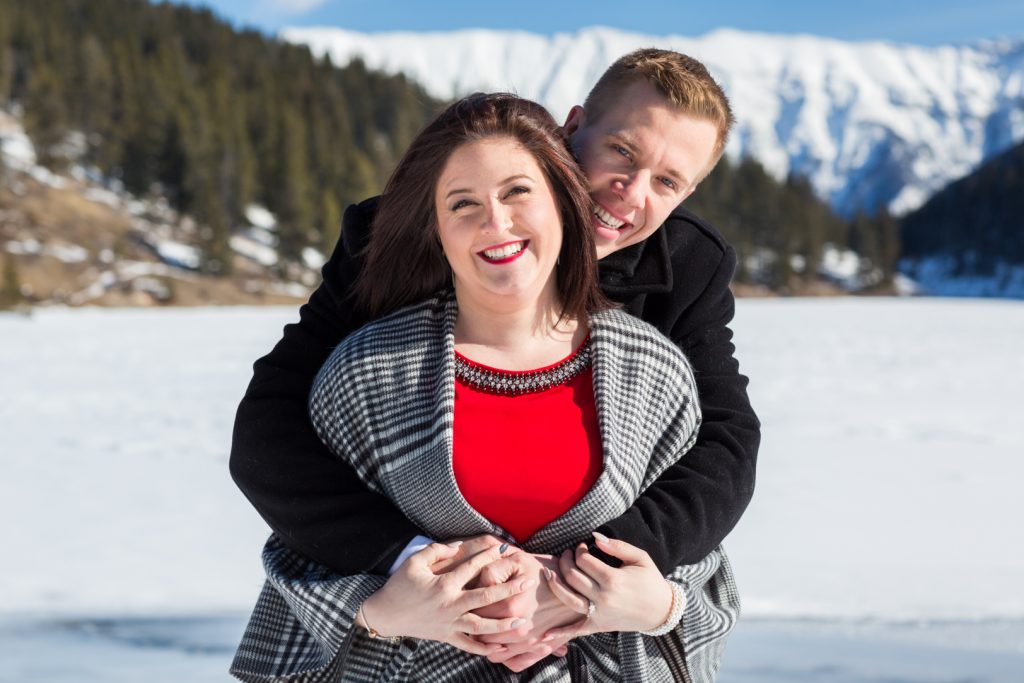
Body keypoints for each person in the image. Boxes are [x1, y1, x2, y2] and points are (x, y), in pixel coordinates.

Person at [230, 48, 759, 669]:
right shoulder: (401, 234)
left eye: (667, 181)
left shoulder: (687, 269)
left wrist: (585, 577)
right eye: (622, 152)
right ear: (571, 128)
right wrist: (406, 565)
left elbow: (725, 443)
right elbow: (272, 426)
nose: (631, 193)